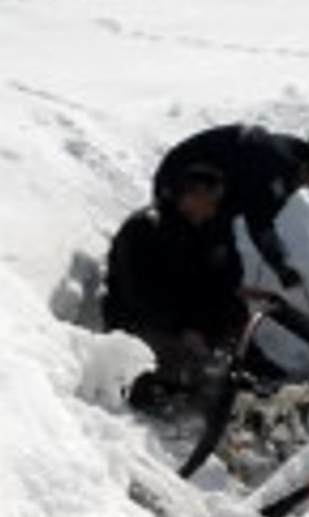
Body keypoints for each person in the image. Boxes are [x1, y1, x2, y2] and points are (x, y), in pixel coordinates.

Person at [102, 167, 248, 407]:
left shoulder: (193, 229)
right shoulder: (144, 228)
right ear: (190, 196)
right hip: (135, 323)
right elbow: (141, 296)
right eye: (210, 202)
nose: (213, 211)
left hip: (174, 321)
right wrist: (183, 330)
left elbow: (202, 283)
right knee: (195, 366)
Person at [152, 124, 309, 290]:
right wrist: (280, 265)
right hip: (182, 185)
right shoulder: (275, 165)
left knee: (226, 267)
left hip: (208, 196)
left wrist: (280, 264)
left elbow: (259, 216)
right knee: (205, 262)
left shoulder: (287, 160)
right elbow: (259, 221)